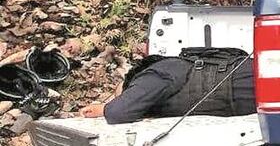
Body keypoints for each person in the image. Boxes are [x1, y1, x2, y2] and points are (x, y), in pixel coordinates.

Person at [79, 47, 254, 124]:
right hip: (247, 83)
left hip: (244, 87)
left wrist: (103, 109)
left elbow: (120, 112)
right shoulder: (177, 66)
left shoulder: (153, 75)